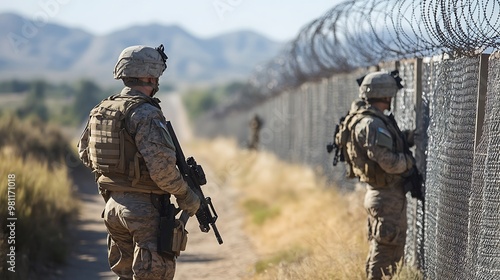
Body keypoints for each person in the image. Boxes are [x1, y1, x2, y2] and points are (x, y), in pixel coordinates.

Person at [77, 44, 200, 280]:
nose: (157, 81)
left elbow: (84, 152)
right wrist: (186, 195)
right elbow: (162, 170)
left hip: (113, 208)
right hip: (144, 212)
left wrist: (119, 177)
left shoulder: (102, 109)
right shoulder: (145, 113)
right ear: (147, 76)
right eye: (155, 76)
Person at [337, 71, 417, 279]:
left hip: (380, 194)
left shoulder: (366, 119)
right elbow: (388, 162)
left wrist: (406, 139)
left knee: (382, 249)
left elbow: (383, 147)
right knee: (386, 253)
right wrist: (409, 162)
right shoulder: (372, 124)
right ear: (385, 95)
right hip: (386, 196)